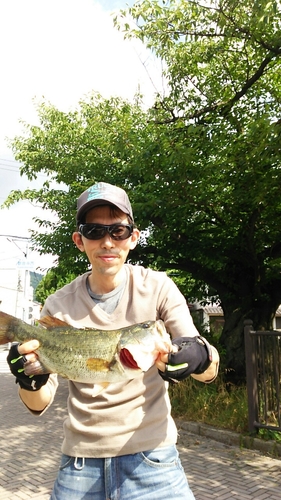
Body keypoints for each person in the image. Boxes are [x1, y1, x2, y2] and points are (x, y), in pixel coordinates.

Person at [7, 182, 219, 500]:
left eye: (118, 231)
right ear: (79, 240)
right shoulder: (59, 304)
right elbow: (39, 404)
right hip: (79, 465)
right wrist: (28, 380)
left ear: (133, 238)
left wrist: (198, 356)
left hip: (153, 461)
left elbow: (210, 368)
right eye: (94, 231)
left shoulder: (158, 287)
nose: (107, 242)